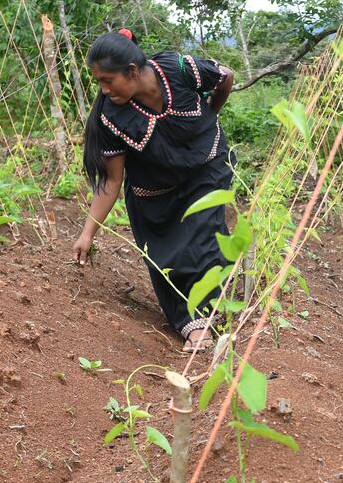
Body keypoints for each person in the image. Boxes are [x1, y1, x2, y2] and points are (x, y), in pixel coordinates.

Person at [72, 28, 235, 352]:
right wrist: (88, 232)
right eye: (99, 83)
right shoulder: (112, 116)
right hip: (153, 192)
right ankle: (191, 322)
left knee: (204, 234)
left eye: (108, 80)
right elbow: (112, 181)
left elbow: (225, 76)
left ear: (132, 71)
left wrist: (209, 114)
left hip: (205, 165)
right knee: (166, 256)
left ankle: (210, 315)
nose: (103, 90)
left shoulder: (179, 69)